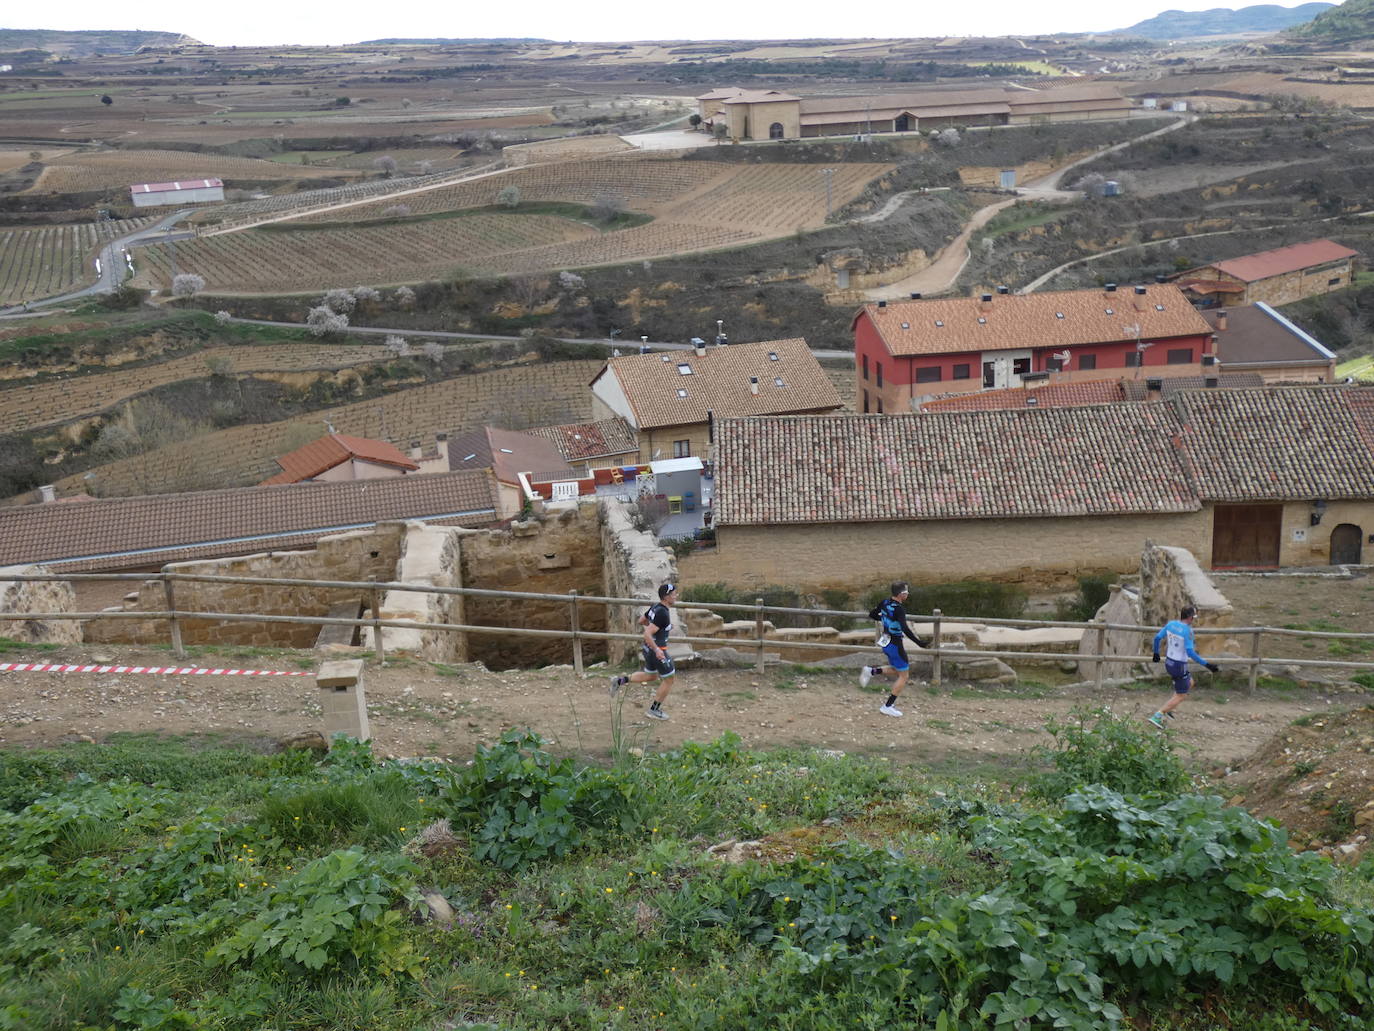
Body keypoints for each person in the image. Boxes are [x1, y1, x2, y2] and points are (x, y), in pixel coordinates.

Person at [859, 581, 930, 717]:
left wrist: (886, 619)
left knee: (897, 669)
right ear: (901, 594)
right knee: (904, 675)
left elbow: (873, 614)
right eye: (906, 592)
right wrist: (918, 642)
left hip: (886, 641)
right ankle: (888, 706)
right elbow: (904, 628)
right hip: (895, 644)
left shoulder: (885, 603)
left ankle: (871, 671)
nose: (907, 594)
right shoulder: (899, 609)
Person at [610, 582, 678, 720]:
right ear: (666, 597)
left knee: (651, 676)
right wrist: (657, 649)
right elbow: (647, 633)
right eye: (673, 594)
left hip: (647, 648)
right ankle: (654, 710)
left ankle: (619, 681)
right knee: (669, 679)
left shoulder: (655, 607)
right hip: (657, 650)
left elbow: (642, 620)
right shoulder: (663, 613)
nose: (676, 596)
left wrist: (660, 628)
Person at [1149, 604, 1219, 728]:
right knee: (1181, 695)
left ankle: (1170, 707)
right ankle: (1158, 715)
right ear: (1191, 617)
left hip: (1169, 662)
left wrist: (1156, 653)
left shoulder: (1171, 624)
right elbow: (1190, 653)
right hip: (1179, 665)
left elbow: (1157, 638)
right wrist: (1207, 665)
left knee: (1190, 682)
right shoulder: (1188, 631)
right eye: (1194, 617)